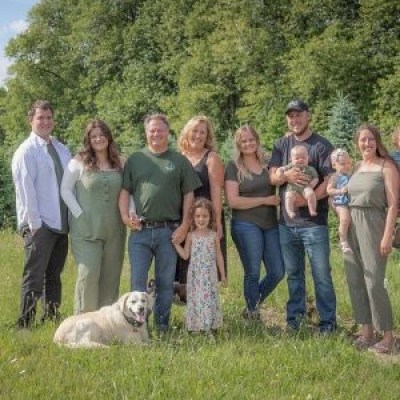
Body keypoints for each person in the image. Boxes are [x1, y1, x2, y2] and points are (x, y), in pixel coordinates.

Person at [118, 113, 201, 332]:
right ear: (146, 133)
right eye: (151, 130)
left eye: (160, 130)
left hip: (169, 232)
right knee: (137, 284)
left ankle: (162, 326)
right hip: (140, 232)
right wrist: (126, 217)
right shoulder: (136, 159)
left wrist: (185, 225)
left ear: (168, 132)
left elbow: (189, 196)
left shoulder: (179, 160)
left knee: (165, 283)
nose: (156, 134)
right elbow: (125, 192)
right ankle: (137, 328)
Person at [269, 99, 337, 333]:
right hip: (287, 225)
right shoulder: (281, 145)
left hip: (314, 224)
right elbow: (272, 177)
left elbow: (328, 180)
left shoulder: (321, 145)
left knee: (321, 275)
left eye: (299, 115)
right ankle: (294, 322)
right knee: (294, 276)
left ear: (308, 116)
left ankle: (328, 324)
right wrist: (286, 176)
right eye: (291, 116)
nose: (294, 120)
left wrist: (306, 200)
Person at [11, 100, 71, 328]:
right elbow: (26, 189)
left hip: (60, 223)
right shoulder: (27, 151)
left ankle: (52, 316)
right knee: (34, 276)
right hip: (40, 224)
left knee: (54, 276)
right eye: (40, 118)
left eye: (48, 118)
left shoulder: (60, 148)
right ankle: (24, 322)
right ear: (31, 120)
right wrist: (34, 225)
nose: (45, 122)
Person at [61, 119, 126, 314]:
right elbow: (65, 190)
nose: (98, 139)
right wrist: (79, 214)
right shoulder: (77, 162)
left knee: (110, 276)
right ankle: (83, 322)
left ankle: (106, 324)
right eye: (93, 136)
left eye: (102, 135)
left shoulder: (121, 162)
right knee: (88, 274)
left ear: (108, 137)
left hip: (115, 229)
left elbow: (127, 191)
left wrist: (129, 213)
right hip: (86, 230)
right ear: (88, 140)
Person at [344, 124, 398, 354]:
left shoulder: (387, 166)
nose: (366, 144)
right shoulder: (357, 166)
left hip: (374, 223)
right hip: (352, 225)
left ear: (377, 141)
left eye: (370, 139)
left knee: (374, 281)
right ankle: (367, 331)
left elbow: (394, 204)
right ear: (357, 143)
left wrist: (387, 234)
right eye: (362, 140)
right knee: (355, 279)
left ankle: (387, 335)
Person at [225, 125, 284, 320]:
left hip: (270, 225)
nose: (248, 143)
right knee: (252, 271)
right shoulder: (233, 167)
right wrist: (265, 200)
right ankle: (252, 312)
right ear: (238, 144)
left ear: (257, 141)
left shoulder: (268, 163)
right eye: (243, 141)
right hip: (245, 224)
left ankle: (252, 303)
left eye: (251, 139)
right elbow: (233, 201)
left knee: (277, 271)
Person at [175, 116, 226, 302]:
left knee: (204, 271)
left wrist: (217, 222)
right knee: (183, 270)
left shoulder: (211, 158)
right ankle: (191, 315)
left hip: (204, 221)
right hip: (182, 220)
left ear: (207, 136)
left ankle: (206, 314)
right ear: (187, 132)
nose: (197, 135)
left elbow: (216, 193)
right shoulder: (178, 157)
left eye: (202, 132)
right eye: (194, 131)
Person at [172, 198, 226, 334]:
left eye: (205, 216)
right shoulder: (191, 236)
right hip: (195, 275)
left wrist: (223, 275)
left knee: (209, 298)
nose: (201, 219)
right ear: (193, 218)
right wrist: (176, 244)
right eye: (198, 216)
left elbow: (219, 255)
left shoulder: (213, 236)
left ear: (210, 217)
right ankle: (196, 327)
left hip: (210, 274)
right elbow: (185, 255)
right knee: (196, 298)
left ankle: (209, 327)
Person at [276, 145, 319, 219]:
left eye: (303, 158)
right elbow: (281, 169)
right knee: (288, 197)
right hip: (292, 188)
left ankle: (312, 209)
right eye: (297, 158)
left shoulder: (310, 169)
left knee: (311, 194)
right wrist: (279, 171)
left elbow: (316, 178)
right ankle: (290, 211)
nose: (300, 160)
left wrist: (312, 184)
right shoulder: (291, 166)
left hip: (306, 187)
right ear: (291, 159)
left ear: (308, 158)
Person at [326, 148, 353, 254]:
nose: (346, 166)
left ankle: (349, 240)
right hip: (340, 201)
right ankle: (343, 242)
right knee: (345, 219)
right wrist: (340, 191)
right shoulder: (335, 177)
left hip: (349, 201)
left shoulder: (350, 175)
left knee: (350, 221)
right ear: (334, 165)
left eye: (348, 163)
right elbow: (329, 190)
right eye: (342, 164)